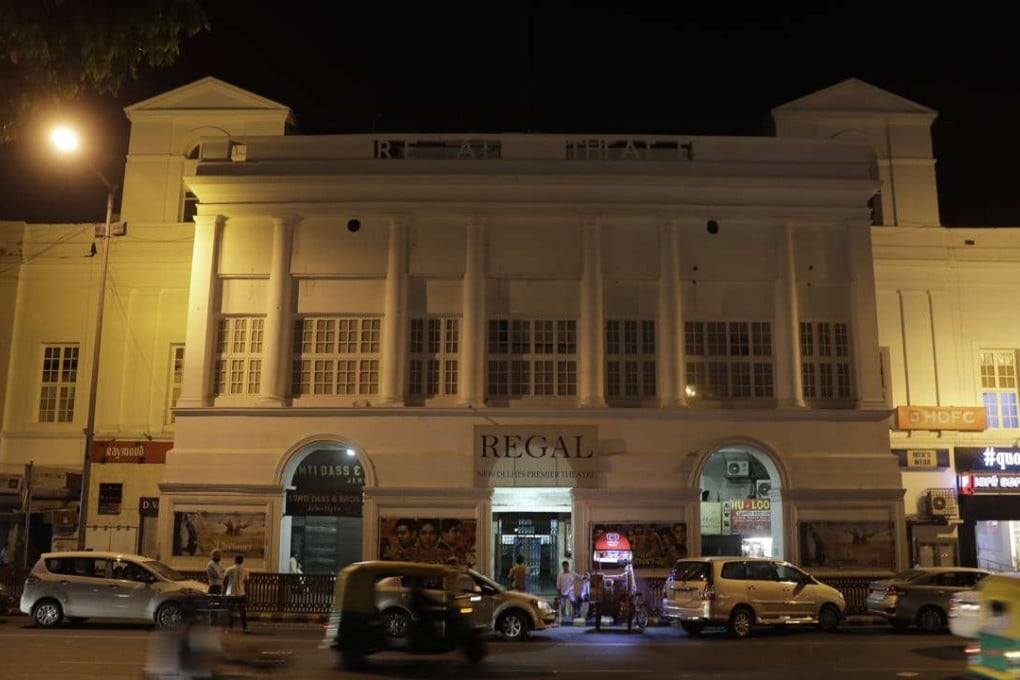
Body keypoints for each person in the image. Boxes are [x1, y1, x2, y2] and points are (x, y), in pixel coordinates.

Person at [223, 554, 250, 632]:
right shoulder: (245, 570)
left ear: (234, 560)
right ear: (242, 560)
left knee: (230, 611)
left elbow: (225, 582)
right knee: (242, 611)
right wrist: (247, 594)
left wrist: (223, 593)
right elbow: (246, 583)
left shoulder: (229, 569)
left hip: (230, 593)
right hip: (241, 593)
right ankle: (245, 627)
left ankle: (229, 628)